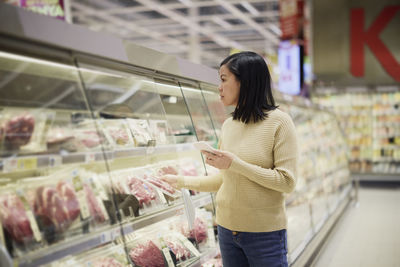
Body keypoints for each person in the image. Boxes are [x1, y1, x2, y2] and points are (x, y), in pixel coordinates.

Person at [162, 51, 298, 267]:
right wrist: (179, 181)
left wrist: (235, 164)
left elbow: (287, 182)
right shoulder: (228, 125)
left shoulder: (280, 122)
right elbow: (225, 180)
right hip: (226, 230)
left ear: (246, 82)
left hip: (264, 235)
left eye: (224, 79)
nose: (219, 87)